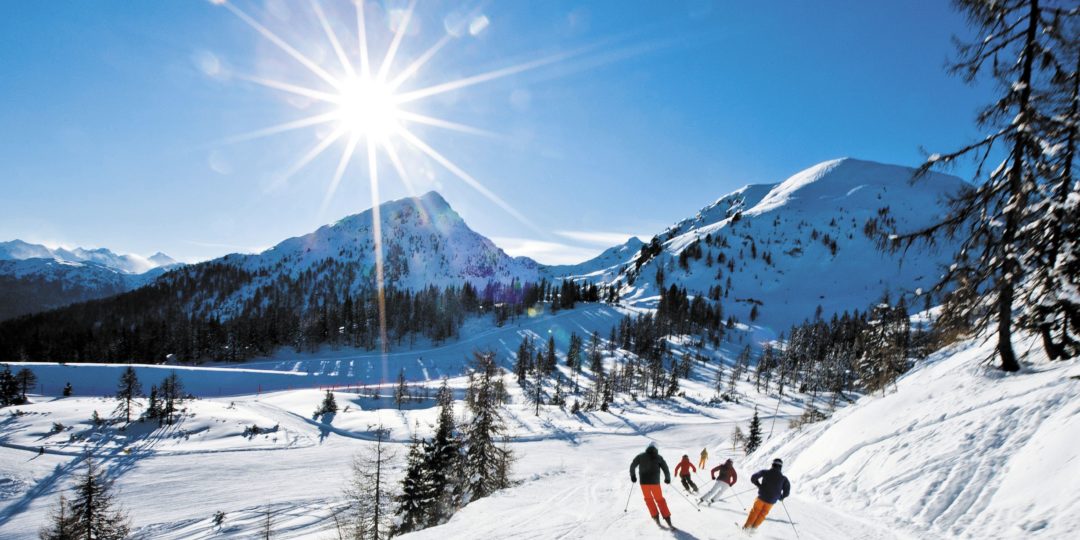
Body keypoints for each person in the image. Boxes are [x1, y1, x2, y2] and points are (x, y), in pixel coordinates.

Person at [630, 443, 673, 527]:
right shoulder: (659, 457)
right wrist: (667, 478)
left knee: (649, 500)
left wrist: (633, 476)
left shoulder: (640, 456)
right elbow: (665, 468)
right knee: (660, 500)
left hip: (644, 483)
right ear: (656, 449)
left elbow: (632, 466)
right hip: (655, 483)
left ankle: (656, 518)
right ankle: (668, 520)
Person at [743, 458, 791, 531]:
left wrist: (758, 485)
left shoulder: (765, 472)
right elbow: (787, 492)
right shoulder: (784, 478)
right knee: (763, 514)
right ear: (780, 467)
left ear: (772, 465)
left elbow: (753, 478)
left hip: (761, 497)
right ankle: (753, 529)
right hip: (771, 501)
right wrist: (781, 497)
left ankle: (746, 528)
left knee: (755, 511)